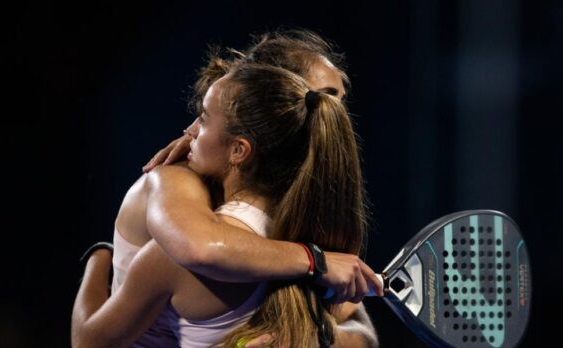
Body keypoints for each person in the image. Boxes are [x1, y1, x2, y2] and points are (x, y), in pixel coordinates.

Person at [73, 30, 382, 347]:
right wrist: (315, 262)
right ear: (273, 98)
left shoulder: (302, 215)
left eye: (338, 102)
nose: (335, 115)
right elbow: (200, 248)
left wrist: (319, 336)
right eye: (327, 97)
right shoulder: (174, 181)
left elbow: (361, 332)